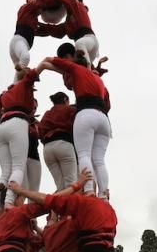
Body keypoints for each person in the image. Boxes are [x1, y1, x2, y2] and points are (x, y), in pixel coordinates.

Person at [35, 55, 111, 197]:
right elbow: (108, 104)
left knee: (84, 155)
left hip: (86, 114)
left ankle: (88, 190)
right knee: (99, 160)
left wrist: (35, 73)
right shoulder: (99, 80)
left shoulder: (75, 69)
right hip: (104, 119)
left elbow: (49, 60)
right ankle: (104, 194)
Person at [0, 68, 40, 214]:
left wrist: (4, 108)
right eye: (33, 105)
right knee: (18, 169)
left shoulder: (7, 94)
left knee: (6, 172)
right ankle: (9, 202)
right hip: (18, 129)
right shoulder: (24, 88)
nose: (33, 108)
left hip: (4, 127)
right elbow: (35, 71)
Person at [39, 0, 100, 64]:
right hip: (85, 47)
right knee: (79, 64)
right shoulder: (69, 21)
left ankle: (87, 66)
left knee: (79, 44)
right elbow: (59, 31)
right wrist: (38, 27)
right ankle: (88, 67)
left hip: (88, 39)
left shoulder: (78, 6)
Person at [39, 92, 78, 191]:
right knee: (71, 184)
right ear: (65, 100)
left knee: (60, 186)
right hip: (63, 143)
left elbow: (40, 130)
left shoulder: (47, 113)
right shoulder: (70, 109)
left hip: (47, 148)